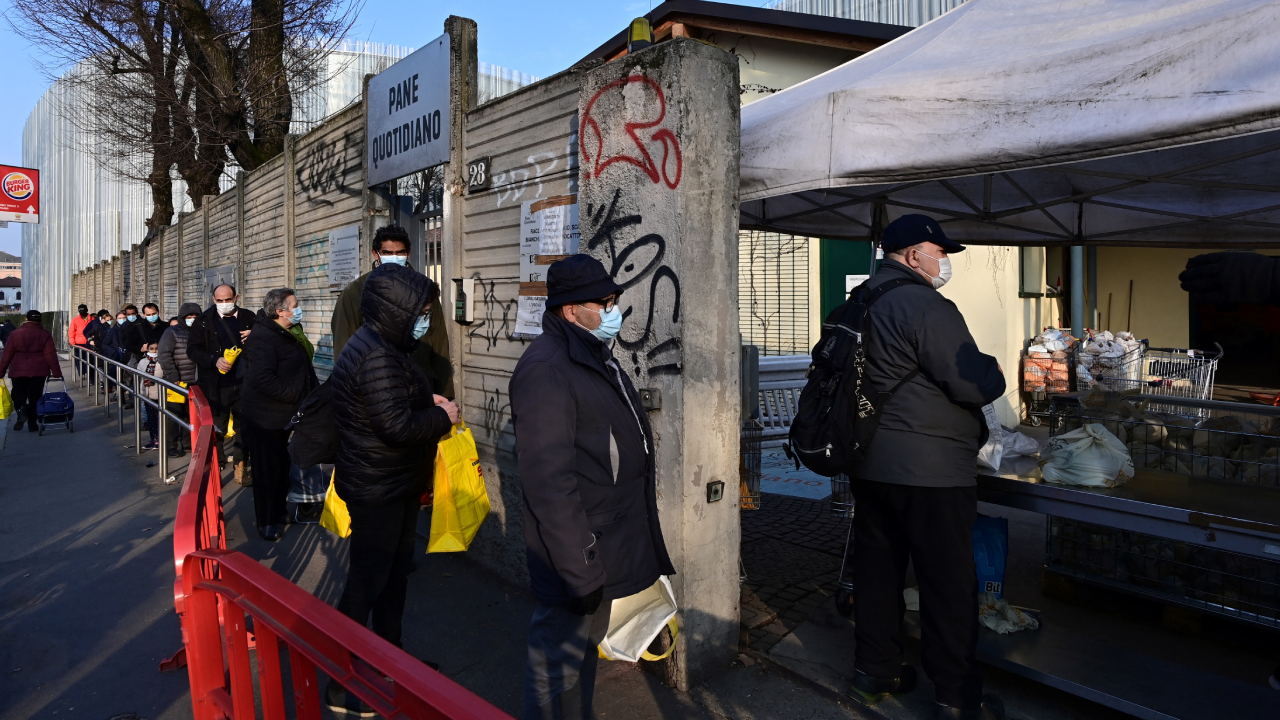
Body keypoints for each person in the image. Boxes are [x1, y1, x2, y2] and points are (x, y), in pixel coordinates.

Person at [837, 215, 1006, 720]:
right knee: (947, 583)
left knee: (878, 571)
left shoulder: (859, 302)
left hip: (869, 463)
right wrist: (992, 369)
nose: (944, 261)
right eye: (940, 251)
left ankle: (875, 672)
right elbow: (972, 382)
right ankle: (956, 697)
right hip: (930, 469)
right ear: (913, 255)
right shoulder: (924, 305)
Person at [509, 255, 675, 720]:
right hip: (574, 557)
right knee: (554, 668)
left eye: (614, 300)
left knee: (579, 661)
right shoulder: (546, 369)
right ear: (569, 311)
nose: (613, 310)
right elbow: (549, 484)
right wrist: (579, 569)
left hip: (602, 549)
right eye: (602, 303)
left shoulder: (595, 358)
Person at [327, 264, 458, 715]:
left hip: (392, 482)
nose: (426, 319)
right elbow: (397, 426)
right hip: (378, 486)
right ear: (395, 312)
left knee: (393, 575)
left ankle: (390, 661)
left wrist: (428, 400)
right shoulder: (378, 354)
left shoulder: (385, 343)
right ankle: (342, 678)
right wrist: (444, 417)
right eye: (420, 312)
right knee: (369, 580)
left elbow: (390, 403)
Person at [331, 224, 453, 397]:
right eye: (388, 253)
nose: (395, 257)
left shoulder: (424, 289)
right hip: (377, 390)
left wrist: (445, 393)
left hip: (422, 386)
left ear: (408, 253)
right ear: (376, 253)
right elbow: (343, 347)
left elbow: (439, 341)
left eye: (400, 252)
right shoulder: (355, 292)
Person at [239, 289, 318, 541]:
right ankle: (267, 521)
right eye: (294, 305)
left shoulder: (288, 331)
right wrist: (296, 395)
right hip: (264, 417)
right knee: (266, 470)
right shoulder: (263, 337)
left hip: (284, 414)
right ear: (280, 311)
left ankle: (280, 510)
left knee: (281, 466)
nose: (298, 308)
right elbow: (262, 379)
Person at [186, 285, 255, 485]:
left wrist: (255, 335)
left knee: (244, 428)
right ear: (213, 300)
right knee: (217, 429)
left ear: (237, 297)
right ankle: (216, 466)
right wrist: (214, 359)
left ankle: (241, 468)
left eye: (228, 299)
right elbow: (193, 350)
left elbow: (268, 342)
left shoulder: (250, 318)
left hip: (245, 382)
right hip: (216, 386)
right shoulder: (204, 321)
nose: (224, 304)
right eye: (220, 300)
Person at [0, 310, 63, 433]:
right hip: (39, 370)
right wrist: (56, 372)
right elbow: (50, 355)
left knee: (18, 393)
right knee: (35, 397)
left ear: (26, 319)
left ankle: (21, 410)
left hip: (18, 369)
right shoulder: (45, 334)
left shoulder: (15, 334)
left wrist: (1, 371)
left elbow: (6, 354)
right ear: (40, 320)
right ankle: (32, 423)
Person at [158, 303, 202, 458]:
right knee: (174, 415)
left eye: (195, 317)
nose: (192, 320)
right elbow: (164, 355)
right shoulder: (172, 332)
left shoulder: (201, 332)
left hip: (195, 381)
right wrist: (173, 377)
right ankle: (171, 445)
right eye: (189, 317)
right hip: (177, 381)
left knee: (191, 415)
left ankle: (187, 442)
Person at [135, 342, 164, 450]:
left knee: (159, 419)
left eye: (156, 349)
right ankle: (153, 439)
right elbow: (139, 378)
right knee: (151, 418)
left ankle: (160, 439)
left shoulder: (162, 361)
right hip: (147, 394)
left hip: (159, 394)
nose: (154, 351)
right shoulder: (143, 362)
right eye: (152, 349)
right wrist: (140, 392)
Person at [69, 303, 91, 375]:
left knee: (89, 358)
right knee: (79, 358)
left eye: (83, 310)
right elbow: (71, 332)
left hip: (89, 342)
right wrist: (72, 342)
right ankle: (81, 372)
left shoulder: (92, 319)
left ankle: (88, 372)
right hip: (79, 342)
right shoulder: (75, 320)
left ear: (87, 310)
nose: (82, 312)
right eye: (80, 310)